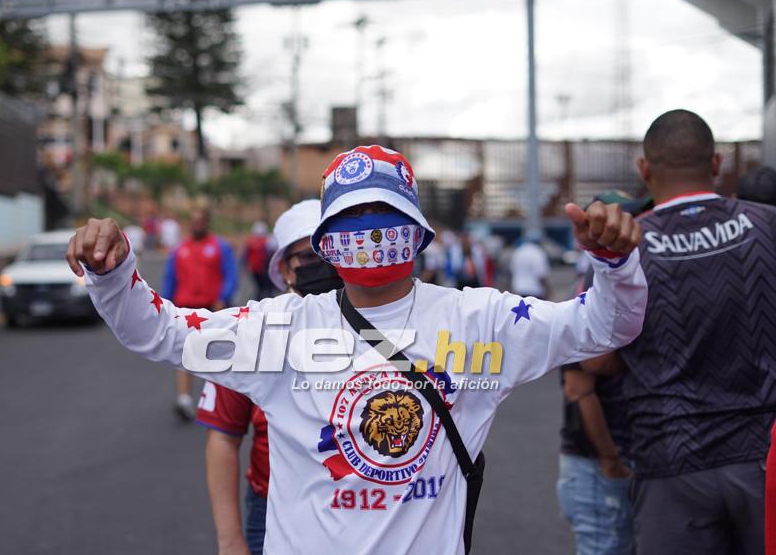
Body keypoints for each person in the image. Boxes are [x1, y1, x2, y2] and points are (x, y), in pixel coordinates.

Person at [67, 144, 646, 555]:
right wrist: (112, 272)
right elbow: (159, 331)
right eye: (351, 217)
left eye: (385, 215)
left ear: (417, 229)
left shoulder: (480, 321)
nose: (369, 233)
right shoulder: (279, 327)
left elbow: (605, 326)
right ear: (324, 240)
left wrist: (615, 264)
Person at [609, 110, 775, 555]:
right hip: (764, 453)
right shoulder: (768, 225)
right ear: (716, 163)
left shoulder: (625, 246)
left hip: (670, 457)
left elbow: (597, 358)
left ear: (644, 169)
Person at [197, 199, 342, 555]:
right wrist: (230, 541)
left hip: (369, 507)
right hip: (275, 508)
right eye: (308, 256)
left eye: (329, 252)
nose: (322, 264)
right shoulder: (254, 333)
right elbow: (223, 438)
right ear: (285, 270)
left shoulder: (378, 324)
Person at [556, 191, 654, 555]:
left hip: (614, 455)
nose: (630, 225)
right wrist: (610, 460)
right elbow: (579, 386)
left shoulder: (619, 276)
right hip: (596, 461)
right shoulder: (590, 287)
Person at [161, 207, 238, 421]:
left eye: (200, 221)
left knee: (215, 355)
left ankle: (218, 402)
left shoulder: (220, 246)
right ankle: (184, 399)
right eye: (193, 221)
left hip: (212, 309)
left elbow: (231, 275)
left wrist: (223, 297)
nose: (196, 225)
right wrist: (165, 305)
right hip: (186, 310)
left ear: (206, 223)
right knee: (185, 354)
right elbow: (170, 279)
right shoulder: (179, 250)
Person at [243, 221, 273, 301]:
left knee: (260, 288)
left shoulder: (250, 242)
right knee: (265, 289)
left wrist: (246, 266)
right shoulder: (267, 242)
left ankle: (259, 301)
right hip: (263, 269)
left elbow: (245, 256)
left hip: (255, 269)